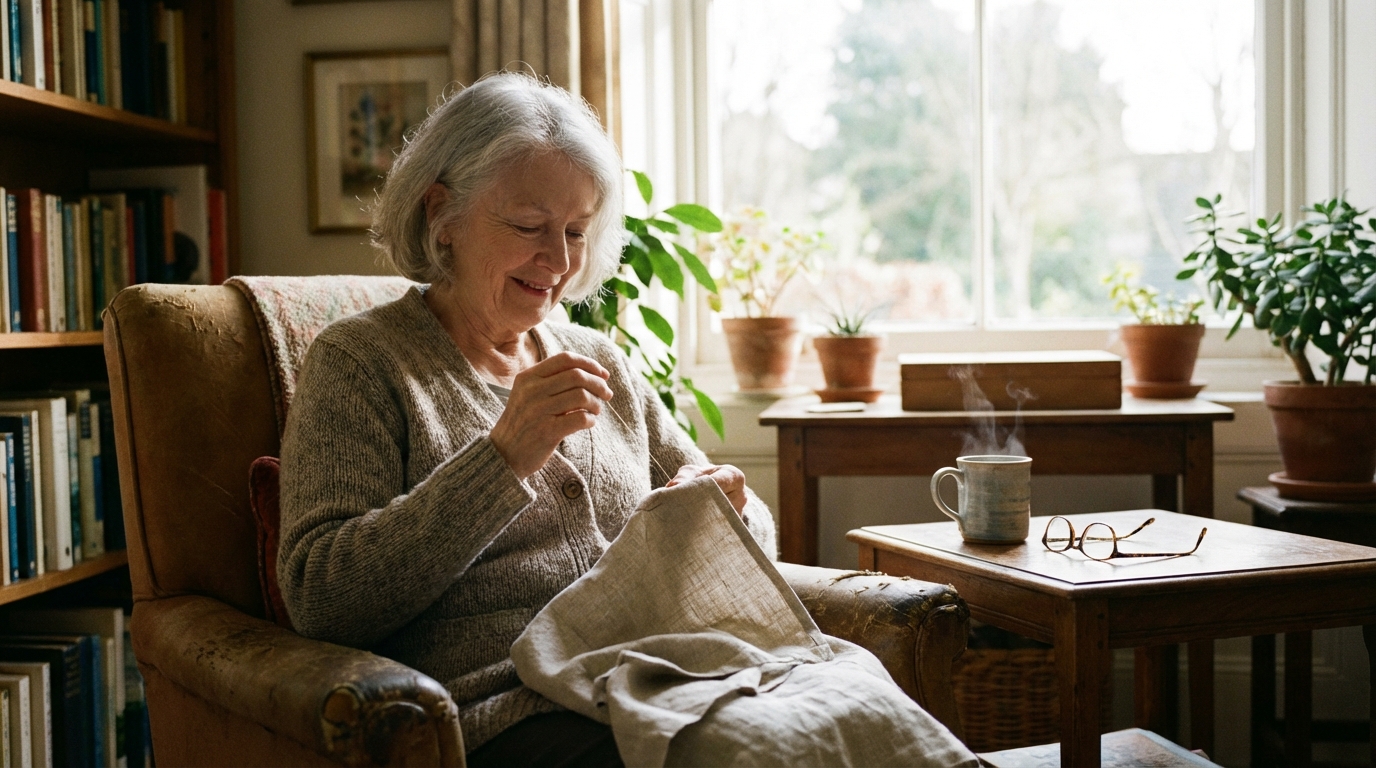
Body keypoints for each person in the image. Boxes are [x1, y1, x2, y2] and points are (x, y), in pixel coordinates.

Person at [276, 72, 778, 766]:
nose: (561, 260)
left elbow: (751, 532)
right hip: (506, 710)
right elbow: (321, 596)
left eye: (576, 231)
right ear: (441, 215)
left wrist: (730, 507)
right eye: (528, 227)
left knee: (848, 710)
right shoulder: (361, 363)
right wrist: (503, 456)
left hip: (656, 678)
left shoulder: (601, 358)